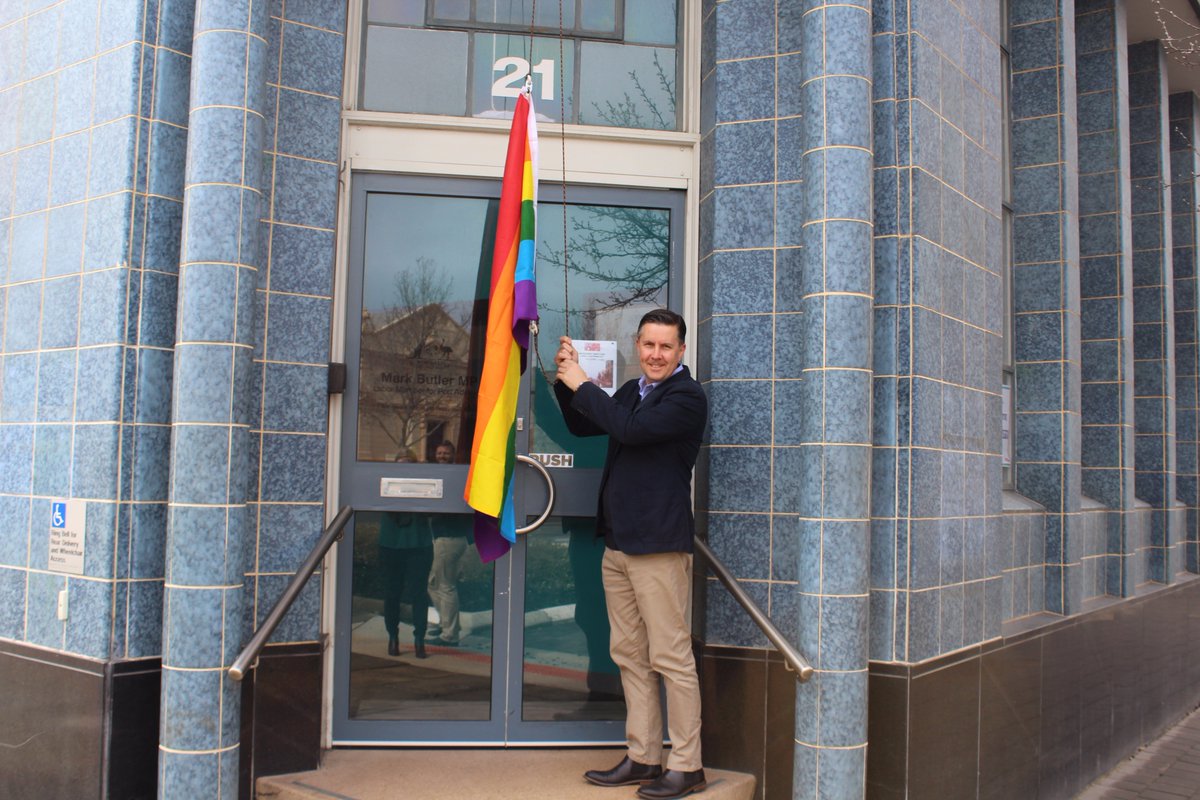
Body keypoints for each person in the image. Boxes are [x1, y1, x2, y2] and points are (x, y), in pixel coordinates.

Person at [554, 308, 708, 800]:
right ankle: (644, 756)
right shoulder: (633, 390)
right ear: (637, 345)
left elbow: (632, 431)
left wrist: (585, 385)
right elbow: (584, 427)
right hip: (619, 544)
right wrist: (566, 377)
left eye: (666, 347)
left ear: (681, 351)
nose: (656, 354)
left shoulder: (686, 397)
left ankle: (687, 765)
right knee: (630, 656)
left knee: (671, 657)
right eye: (648, 345)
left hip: (659, 547)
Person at [426, 441, 472, 646]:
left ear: (452, 455)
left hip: (449, 538)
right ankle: (449, 624)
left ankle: (450, 633)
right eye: (439, 452)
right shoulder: (447, 474)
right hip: (451, 539)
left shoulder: (452, 476)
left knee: (442, 585)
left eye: (446, 453)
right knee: (440, 584)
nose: (442, 455)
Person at [378, 511, 434, 659]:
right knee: (419, 594)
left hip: (391, 539)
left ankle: (393, 639)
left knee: (392, 593)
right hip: (419, 540)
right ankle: (419, 641)